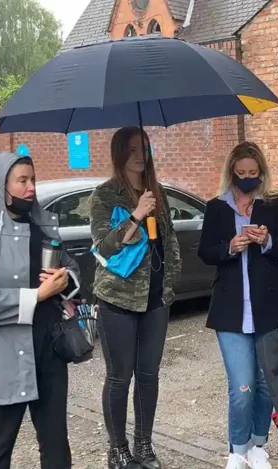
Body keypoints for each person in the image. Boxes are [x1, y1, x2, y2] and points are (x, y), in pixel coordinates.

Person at [0, 152, 80, 468]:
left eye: (33, 179)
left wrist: (66, 280)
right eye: (22, 180)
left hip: (48, 347)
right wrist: (36, 295)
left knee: (55, 441)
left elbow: (71, 268)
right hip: (1, 352)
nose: (31, 188)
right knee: (0, 440)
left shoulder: (43, 224)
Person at [199, 141, 278, 469]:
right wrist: (229, 246)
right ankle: (237, 450)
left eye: (253, 173)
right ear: (232, 172)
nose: (247, 178)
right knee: (242, 386)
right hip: (231, 311)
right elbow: (205, 252)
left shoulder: (274, 204)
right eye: (241, 173)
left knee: (266, 383)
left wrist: (266, 241)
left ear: (262, 173)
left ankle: (258, 445)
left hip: (269, 307)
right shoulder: (217, 207)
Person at [89, 127, 182, 469]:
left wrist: (171, 279)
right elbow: (104, 246)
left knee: (148, 375)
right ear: (119, 154)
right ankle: (118, 449)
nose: (140, 155)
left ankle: (144, 445)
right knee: (119, 376)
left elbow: (169, 239)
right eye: (132, 150)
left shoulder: (157, 192)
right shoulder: (104, 195)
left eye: (144, 148)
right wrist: (136, 213)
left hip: (156, 298)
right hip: (118, 299)